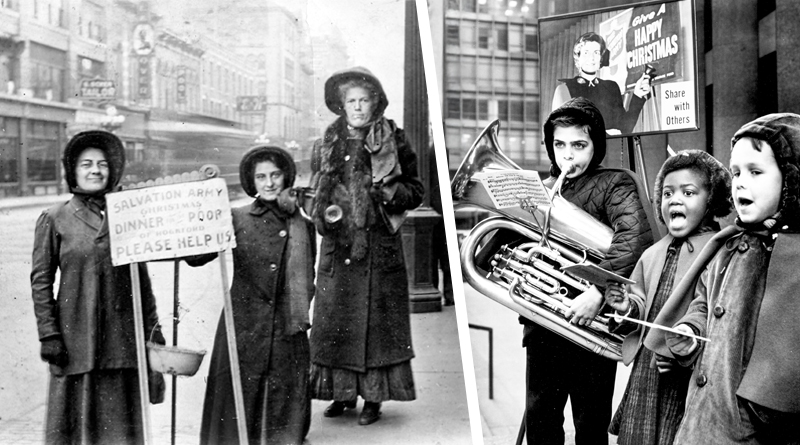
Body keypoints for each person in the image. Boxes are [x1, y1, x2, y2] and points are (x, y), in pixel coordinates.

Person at [661, 113, 800, 444]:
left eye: (755, 172)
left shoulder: (792, 256)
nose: (739, 182)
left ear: (791, 180)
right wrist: (691, 330)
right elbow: (705, 301)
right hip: (703, 418)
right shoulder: (727, 246)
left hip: (756, 428)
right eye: (736, 172)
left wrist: (758, 408)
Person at [522, 97, 654, 444]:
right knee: (540, 420)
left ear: (595, 146)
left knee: (590, 422)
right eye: (559, 145)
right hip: (544, 323)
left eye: (579, 145)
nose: (568, 155)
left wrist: (596, 292)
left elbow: (634, 239)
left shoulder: (615, 184)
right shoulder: (541, 190)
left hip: (590, 323)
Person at [30, 130, 166, 444]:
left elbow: (141, 284)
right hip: (74, 343)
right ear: (73, 171)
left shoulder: (126, 216)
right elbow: (41, 283)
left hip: (121, 344)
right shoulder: (55, 218)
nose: (95, 170)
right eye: (86, 164)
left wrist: (153, 333)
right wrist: (49, 335)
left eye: (103, 164)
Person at [309, 67, 424, 426]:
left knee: (377, 328)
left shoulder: (395, 138)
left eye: (364, 100)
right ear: (341, 106)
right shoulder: (326, 142)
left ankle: (374, 399)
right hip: (338, 248)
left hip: (377, 248)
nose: (358, 107)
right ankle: (342, 395)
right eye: (351, 101)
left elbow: (416, 191)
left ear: (375, 102)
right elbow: (315, 190)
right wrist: (321, 208)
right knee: (336, 323)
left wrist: (388, 192)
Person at [188, 146, 316, 445]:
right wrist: (201, 216)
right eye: (261, 177)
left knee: (282, 406)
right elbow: (196, 256)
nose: (269, 183)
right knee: (238, 406)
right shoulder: (236, 218)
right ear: (252, 181)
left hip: (288, 325)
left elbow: (307, 277)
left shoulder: (303, 225)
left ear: (286, 177)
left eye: (275, 175)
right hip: (244, 326)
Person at [604, 150, 732, 445]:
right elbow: (640, 305)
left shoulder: (720, 249)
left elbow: (715, 316)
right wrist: (626, 307)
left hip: (685, 375)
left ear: (711, 200)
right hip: (648, 372)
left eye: (688, 192)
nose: (675, 200)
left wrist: (686, 353)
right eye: (667, 193)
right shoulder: (652, 253)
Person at [552, 32, 652, 135]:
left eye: (596, 52)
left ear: (601, 58)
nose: (591, 58)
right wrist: (605, 134)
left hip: (614, 149)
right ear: (578, 57)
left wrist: (637, 96)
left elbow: (625, 128)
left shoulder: (611, 87)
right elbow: (563, 131)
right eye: (586, 53)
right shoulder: (565, 89)